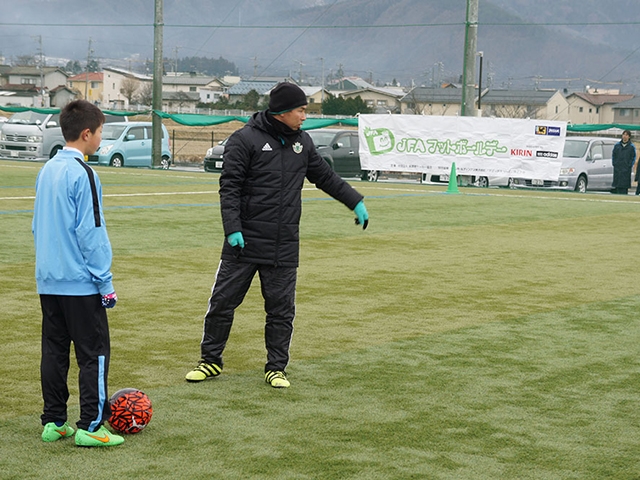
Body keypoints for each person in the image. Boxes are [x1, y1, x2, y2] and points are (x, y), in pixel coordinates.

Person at [186, 82, 369, 388]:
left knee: (281, 310)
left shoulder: (303, 143)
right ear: (283, 112)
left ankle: (276, 367)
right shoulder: (244, 140)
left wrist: (355, 200)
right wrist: (232, 228)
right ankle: (210, 361)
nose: (304, 116)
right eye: (301, 110)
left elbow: (325, 177)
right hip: (243, 243)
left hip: (283, 244)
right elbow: (229, 187)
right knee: (222, 303)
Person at [33, 100, 124, 447]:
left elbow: (36, 226)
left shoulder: (47, 169)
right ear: (87, 134)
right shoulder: (84, 172)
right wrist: (105, 281)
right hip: (79, 283)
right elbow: (91, 232)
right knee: (94, 353)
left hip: (49, 280)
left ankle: (54, 421)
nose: (101, 138)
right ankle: (91, 425)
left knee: (54, 351)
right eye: (100, 132)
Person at [612, 129, 636, 195]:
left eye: (626, 135)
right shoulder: (617, 145)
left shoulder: (631, 146)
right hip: (618, 169)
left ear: (629, 137)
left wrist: (629, 165)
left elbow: (633, 157)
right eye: (624, 134)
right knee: (617, 186)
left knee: (624, 187)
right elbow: (614, 155)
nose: (625, 136)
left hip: (626, 169)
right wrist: (615, 164)